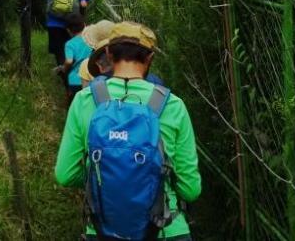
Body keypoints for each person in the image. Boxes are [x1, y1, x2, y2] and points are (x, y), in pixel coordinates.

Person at [55, 23, 201, 240]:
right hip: (166, 229)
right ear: (150, 58)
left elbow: (65, 174)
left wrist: (102, 173)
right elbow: (191, 189)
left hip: (102, 229)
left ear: (107, 53)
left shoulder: (84, 101)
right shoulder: (172, 105)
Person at [46, 0, 91, 66]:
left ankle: (63, 73)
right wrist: (82, 19)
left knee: (59, 52)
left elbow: (49, 1)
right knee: (75, 52)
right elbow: (83, 3)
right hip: (73, 25)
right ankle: (74, 77)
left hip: (54, 23)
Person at [55, 13, 93, 103]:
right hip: (90, 77)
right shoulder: (91, 40)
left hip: (75, 80)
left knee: (76, 104)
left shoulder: (70, 44)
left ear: (68, 30)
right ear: (84, 25)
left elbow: (69, 61)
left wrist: (63, 68)